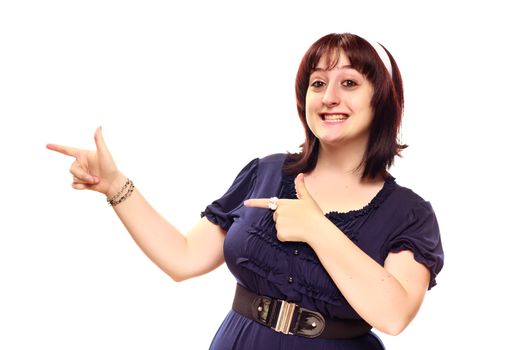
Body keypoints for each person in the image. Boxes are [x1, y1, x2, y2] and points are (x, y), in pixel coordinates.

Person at [47, 32, 444, 349]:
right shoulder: (267, 173)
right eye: (317, 83)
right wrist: (116, 186)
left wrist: (315, 229)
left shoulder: (408, 213)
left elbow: (393, 316)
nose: (329, 97)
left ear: (381, 100)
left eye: (349, 83)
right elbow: (183, 258)